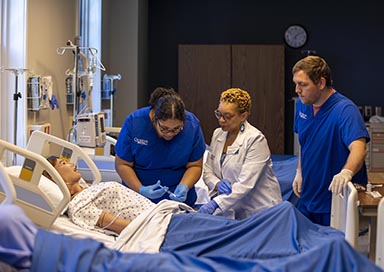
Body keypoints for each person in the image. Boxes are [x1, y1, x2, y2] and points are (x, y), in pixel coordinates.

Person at [291, 55, 370, 226]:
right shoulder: (302, 104)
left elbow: (359, 148)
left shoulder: (345, 110)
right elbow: (304, 142)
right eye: (296, 83)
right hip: (308, 194)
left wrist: (346, 172)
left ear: (321, 83)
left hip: (333, 199)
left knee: (332, 249)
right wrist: (299, 171)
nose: (297, 89)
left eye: (303, 84)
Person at [114, 87, 206, 207]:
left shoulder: (192, 125)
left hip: (178, 203)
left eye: (176, 129)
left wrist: (184, 186)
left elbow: (195, 166)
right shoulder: (135, 123)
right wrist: (141, 189)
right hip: (137, 200)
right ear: (154, 118)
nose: (170, 134)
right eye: (164, 129)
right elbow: (122, 165)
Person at [199, 88, 282, 219]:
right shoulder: (218, 134)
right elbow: (208, 171)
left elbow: (245, 184)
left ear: (243, 116)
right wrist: (217, 184)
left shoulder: (255, 139)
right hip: (233, 209)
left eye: (227, 116)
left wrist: (216, 203)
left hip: (260, 210)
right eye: (219, 114)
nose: (221, 120)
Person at [43, 156, 155, 235]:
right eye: (63, 163)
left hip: (156, 212)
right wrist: (151, 229)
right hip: (152, 223)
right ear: (55, 178)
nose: (72, 164)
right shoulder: (79, 205)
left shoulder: (87, 191)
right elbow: (118, 225)